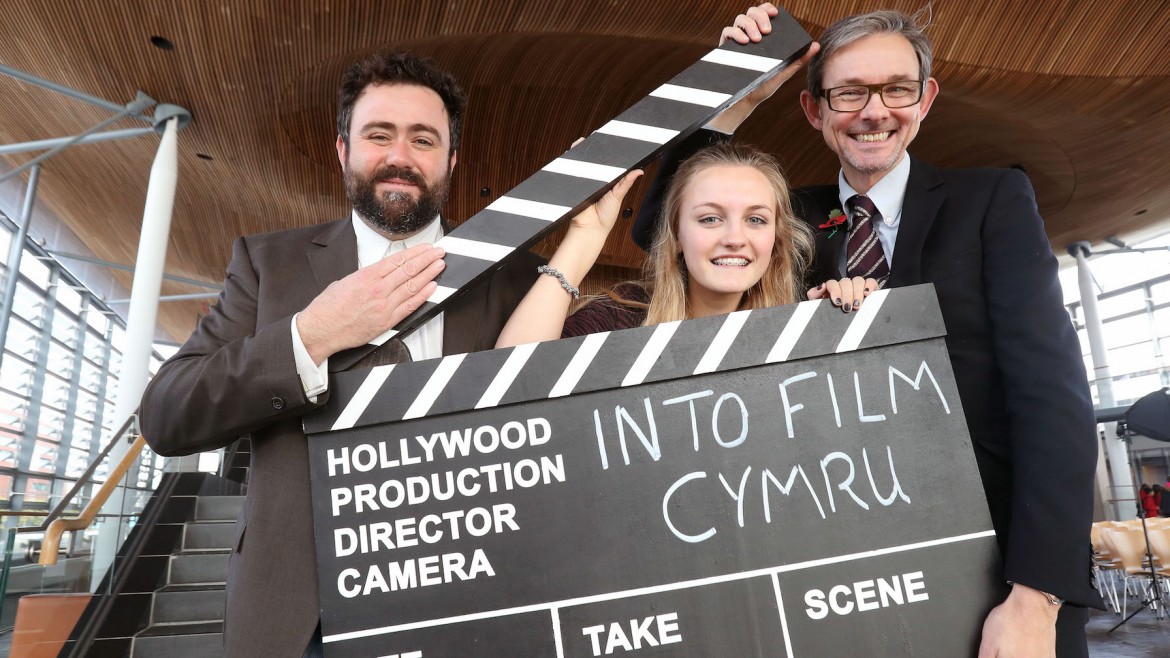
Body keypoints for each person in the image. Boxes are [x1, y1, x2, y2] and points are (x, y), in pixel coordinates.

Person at [632, 5, 1101, 656]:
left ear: (925, 98)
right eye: (848, 92)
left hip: (995, 577)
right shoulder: (786, 217)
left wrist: (1036, 597)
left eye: (896, 89)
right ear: (813, 109)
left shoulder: (992, 200)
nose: (873, 111)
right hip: (837, 577)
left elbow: (1053, 401)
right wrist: (736, 90)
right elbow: (661, 226)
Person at [140, 52, 541, 657]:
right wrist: (312, 335)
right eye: (378, 135)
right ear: (342, 150)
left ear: (452, 160)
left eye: (423, 139)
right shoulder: (267, 264)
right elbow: (167, 415)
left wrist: (736, 78)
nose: (400, 157)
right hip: (304, 620)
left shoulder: (516, 278)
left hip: (472, 605)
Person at [496, 143, 816, 346]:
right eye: (709, 219)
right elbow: (511, 379)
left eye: (756, 220)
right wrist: (585, 234)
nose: (734, 238)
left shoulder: (800, 335)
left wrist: (856, 314)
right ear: (676, 236)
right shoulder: (621, 318)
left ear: (776, 239)